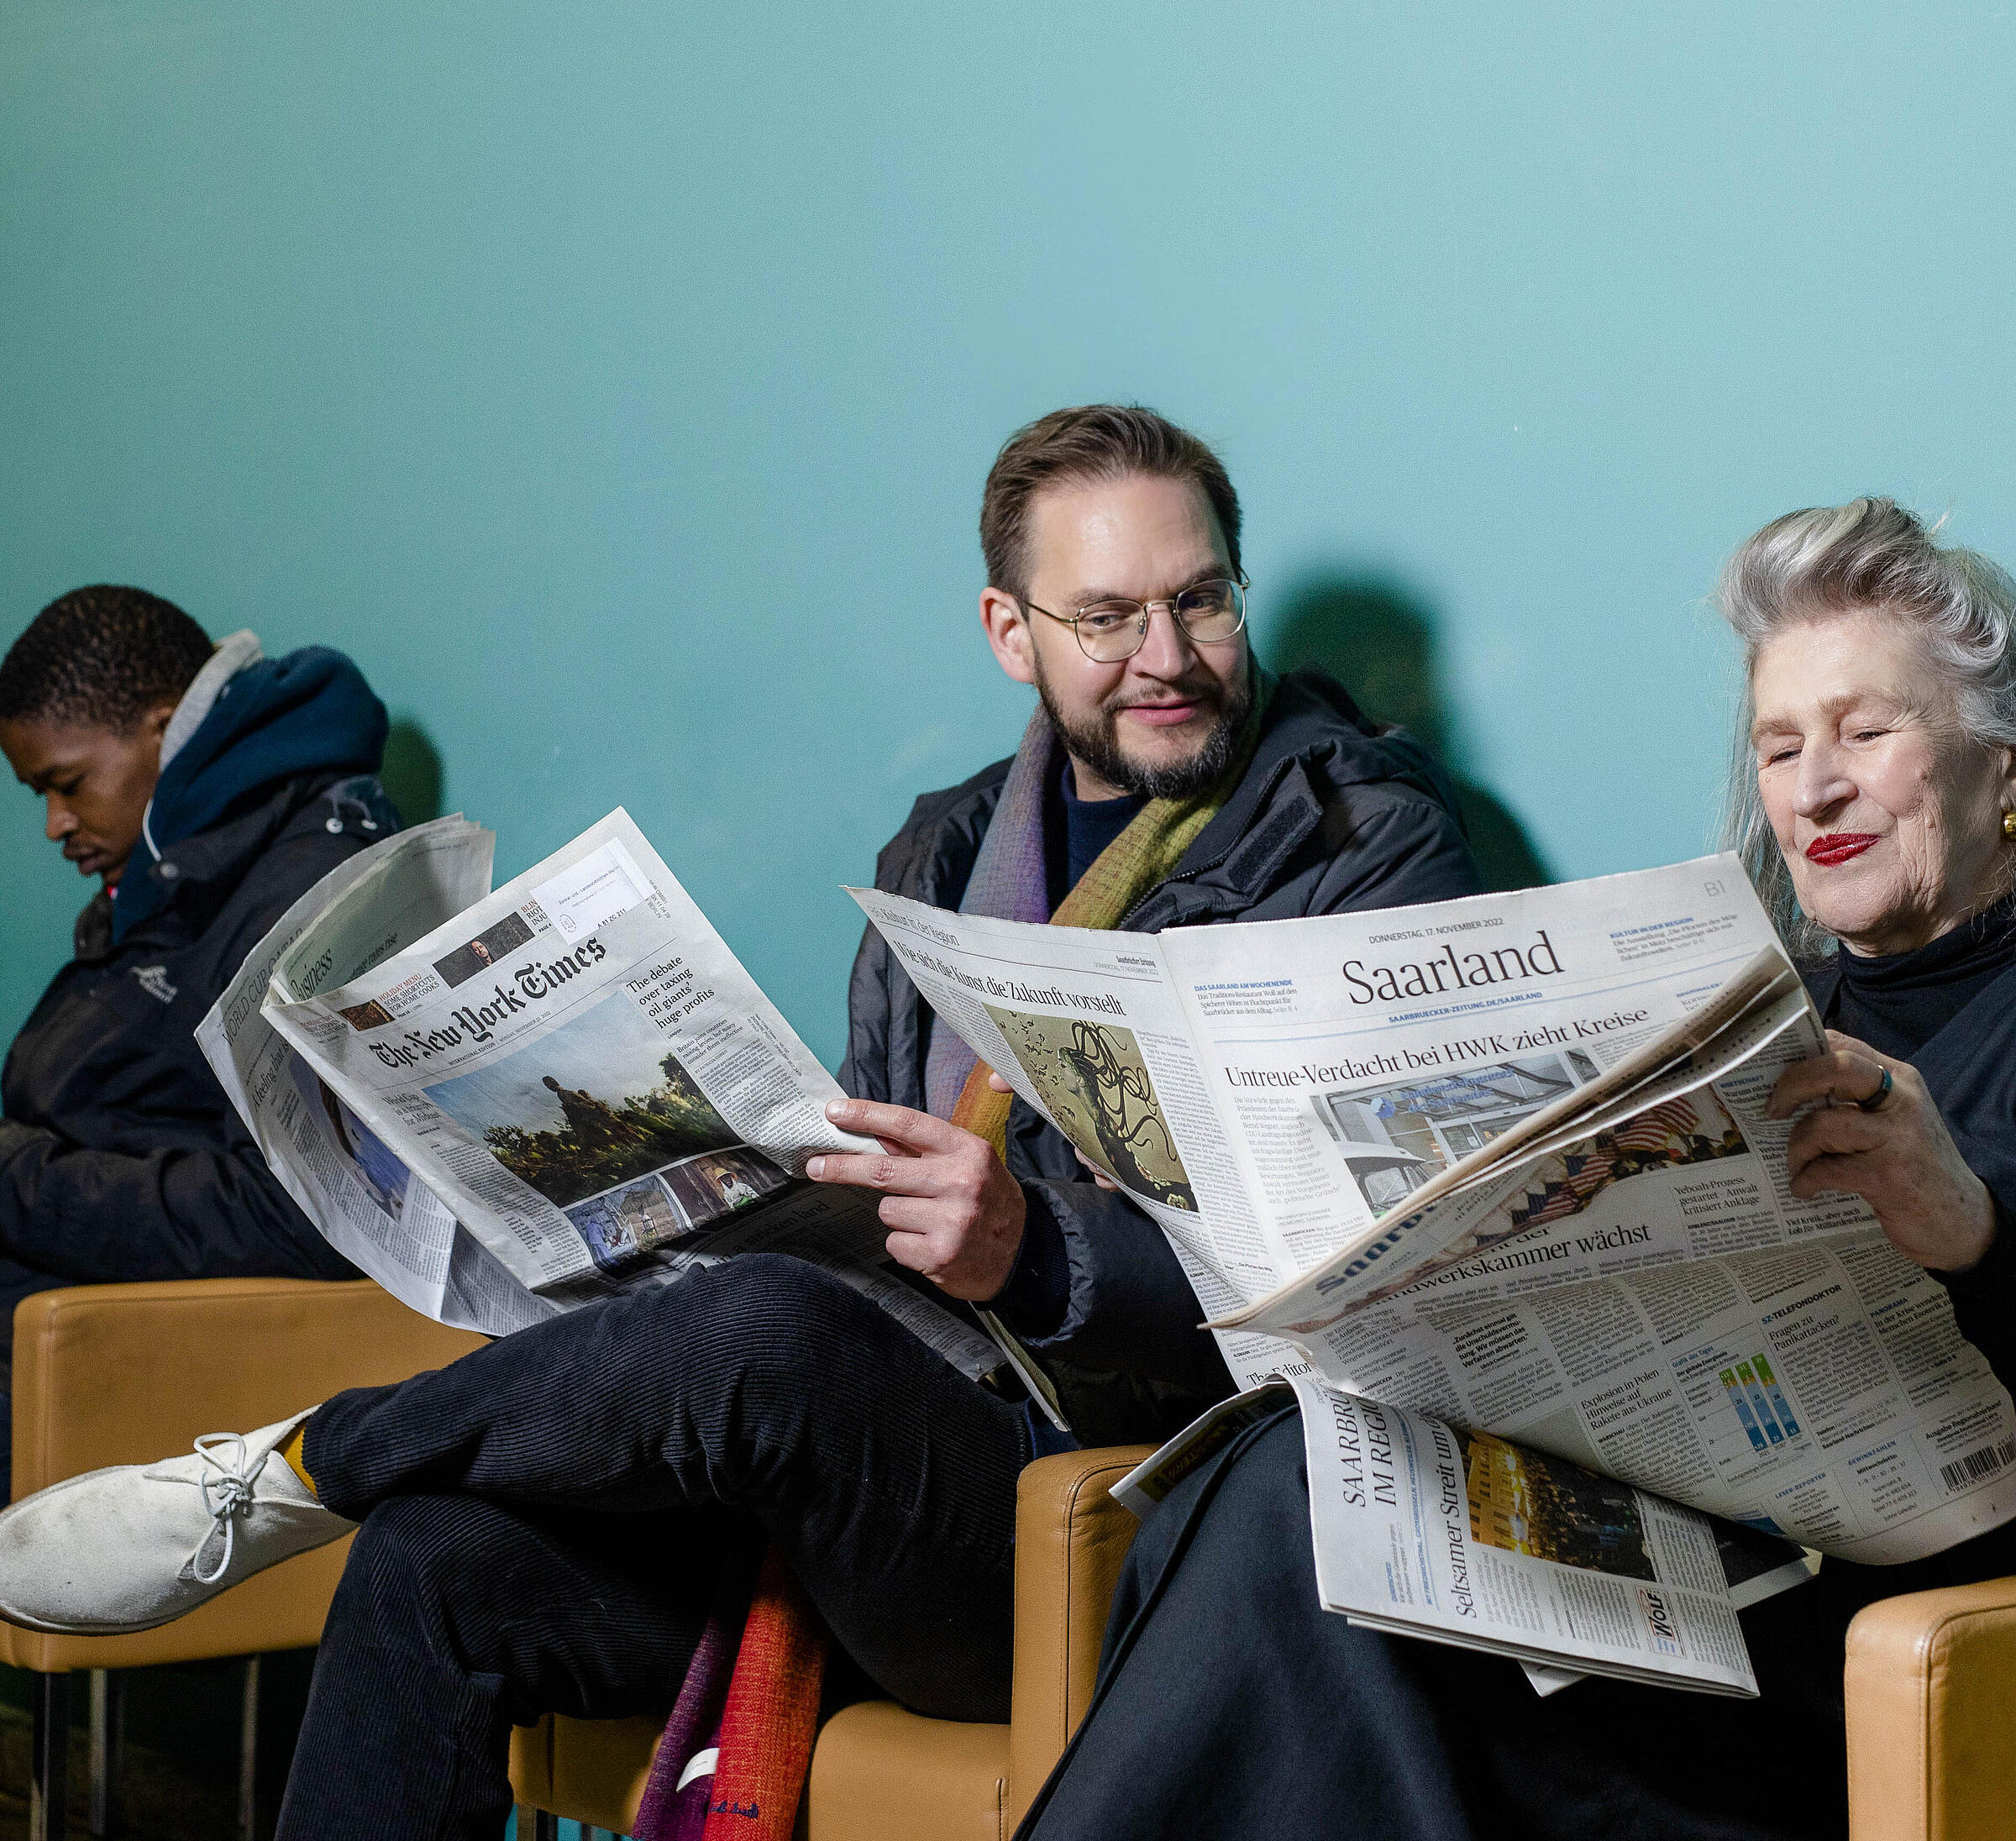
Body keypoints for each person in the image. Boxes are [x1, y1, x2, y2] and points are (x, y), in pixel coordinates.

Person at [0, 406, 1479, 1841]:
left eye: (1202, 600)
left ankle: (310, 1462)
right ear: (1008, 631)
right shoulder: (945, 848)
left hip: (1089, 1513)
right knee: (435, 1561)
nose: (1166, 657)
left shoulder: (1365, 846)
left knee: (771, 1334)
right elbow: (869, 1200)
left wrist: (1039, 1250)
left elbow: (1349, 1277)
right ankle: (362, 1489)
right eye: (1105, 618)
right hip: (869, 1447)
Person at [1010, 496, 2016, 1841]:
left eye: (1867, 731)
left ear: (2004, 772)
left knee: (1294, 1555)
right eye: (1781, 746)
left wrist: (1977, 1235)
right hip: (1666, 1594)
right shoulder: (1744, 1016)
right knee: (1283, 1489)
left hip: (1849, 1674)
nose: (1814, 787)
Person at [0, 587, 399, 1486]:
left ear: (164, 726)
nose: (55, 824)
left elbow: (298, 1215)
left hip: (135, 1344)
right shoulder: (181, 863)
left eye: (67, 784)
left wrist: (15, 1178)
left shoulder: (305, 883)